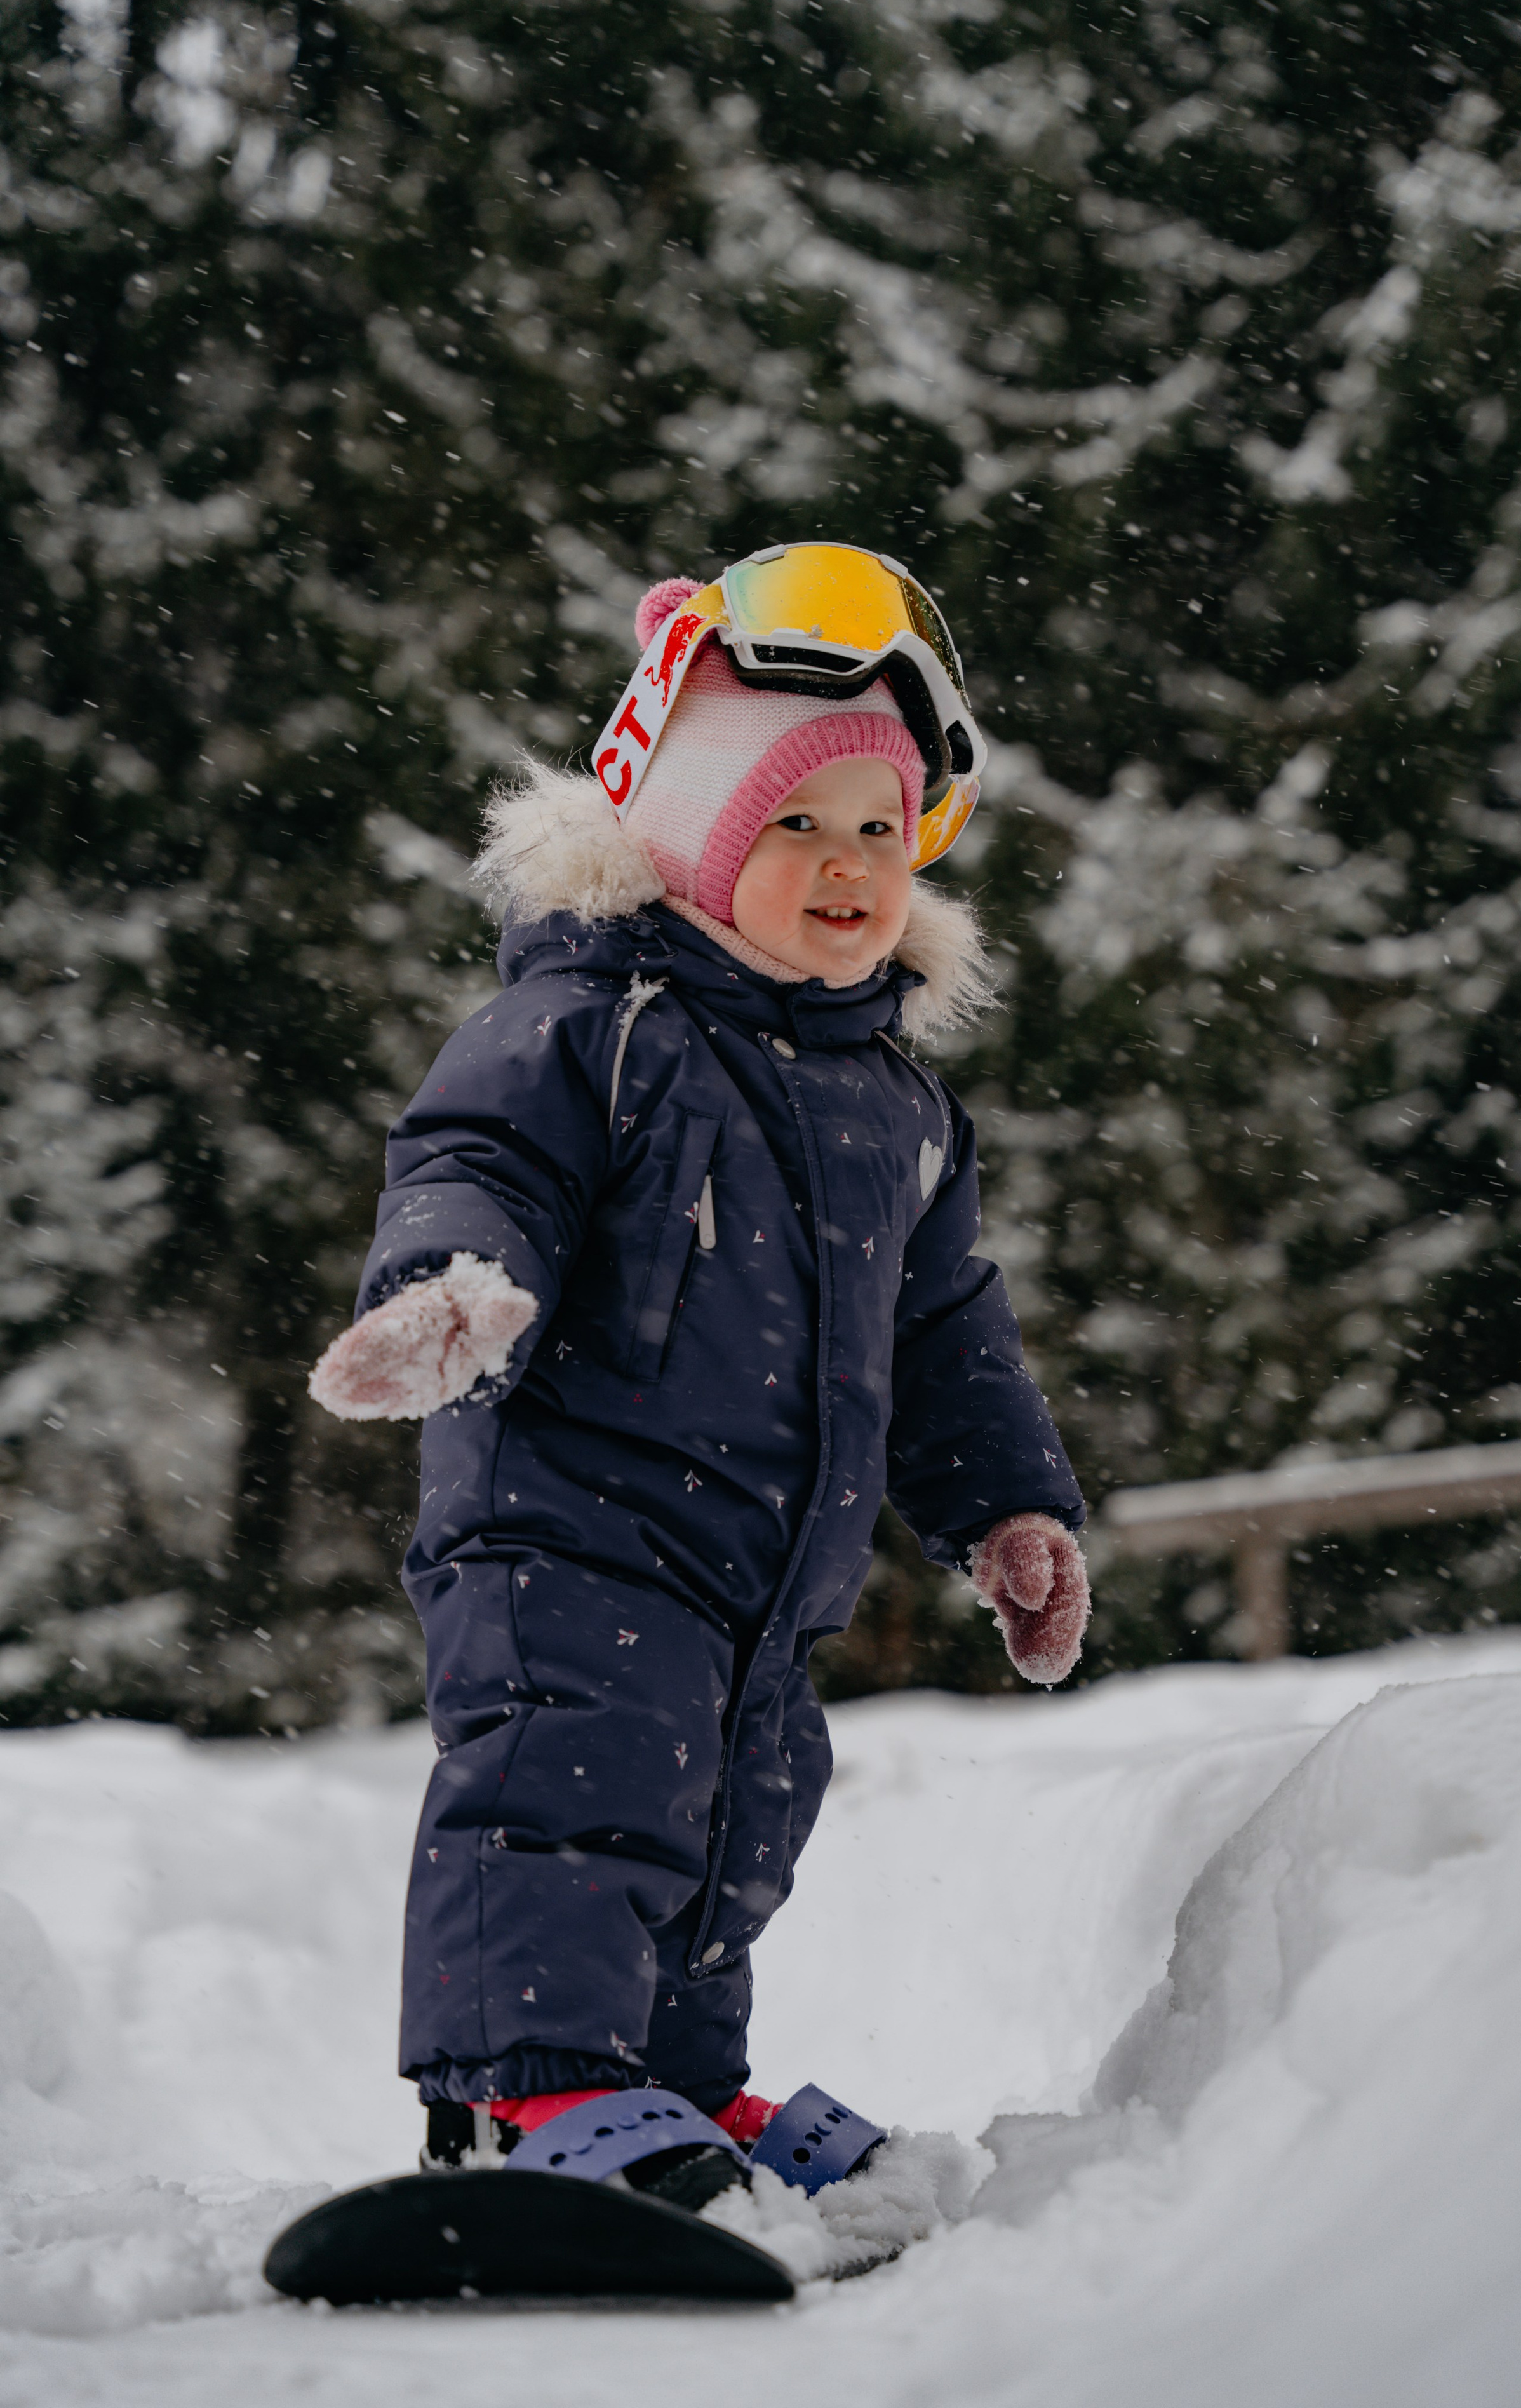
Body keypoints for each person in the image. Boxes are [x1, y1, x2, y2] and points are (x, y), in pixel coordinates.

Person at [309, 544, 1089, 2208]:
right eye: (794, 821)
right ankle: (532, 2092)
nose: (846, 864)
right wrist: (452, 1292)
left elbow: (948, 1332)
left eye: (879, 827)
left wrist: (1008, 1507)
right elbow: (476, 1165)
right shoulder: (590, 1025)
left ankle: (675, 2086)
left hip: (768, 1572)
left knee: (732, 1819)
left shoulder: (898, 1105)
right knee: (571, 1782)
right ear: (688, 833)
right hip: (571, 1523)